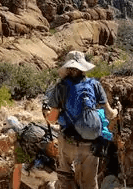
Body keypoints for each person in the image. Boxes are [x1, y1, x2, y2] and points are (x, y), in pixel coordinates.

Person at [43, 50, 118, 189]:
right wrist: (117, 110)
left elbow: (52, 119)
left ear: (67, 68)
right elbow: (109, 114)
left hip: (68, 142)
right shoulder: (95, 84)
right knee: (89, 183)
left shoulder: (61, 87)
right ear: (83, 67)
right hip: (91, 143)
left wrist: (47, 115)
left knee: (65, 179)